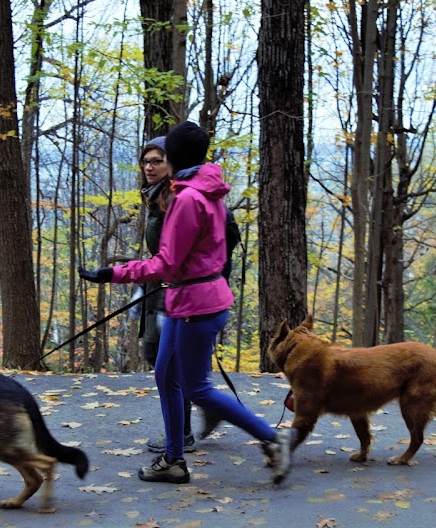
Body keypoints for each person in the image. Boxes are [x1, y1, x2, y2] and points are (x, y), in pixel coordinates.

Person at [79, 121, 291, 485]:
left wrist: (112, 273)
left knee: (197, 388)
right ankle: (174, 460)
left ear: (173, 156)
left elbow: (166, 263)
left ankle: (274, 438)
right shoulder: (204, 191)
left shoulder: (188, 199)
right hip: (188, 300)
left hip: (196, 304)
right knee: (165, 376)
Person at [137, 136, 225, 455]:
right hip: (159, 290)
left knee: (169, 365)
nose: (149, 166)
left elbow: (223, 235)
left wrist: (209, 278)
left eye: (157, 160)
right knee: (158, 359)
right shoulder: (158, 195)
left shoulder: (179, 196)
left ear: (171, 161)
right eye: (145, 161)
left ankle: (185, 431)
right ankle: (198, 413)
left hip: (179, 295)